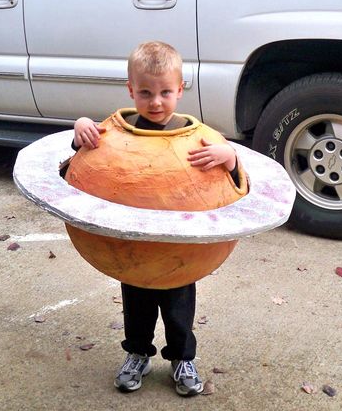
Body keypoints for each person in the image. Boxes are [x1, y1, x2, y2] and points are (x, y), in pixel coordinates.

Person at [71, 41, 240, 396]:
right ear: (130, 90)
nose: (156, 102)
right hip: (133, 252)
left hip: (180, 254)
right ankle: (137, 354)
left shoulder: (201, 140)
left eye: (165, 92)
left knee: (179, 313)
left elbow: (239, 180)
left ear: (180, 89)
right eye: (145, 92)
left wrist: (230, 155)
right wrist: (81, 127)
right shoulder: (114, 133)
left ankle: (182, 359)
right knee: (138, 309)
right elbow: (76, 164)